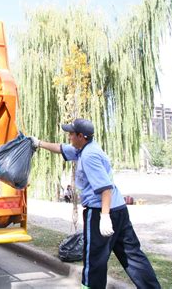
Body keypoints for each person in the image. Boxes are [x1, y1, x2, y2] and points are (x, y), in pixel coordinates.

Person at [31, 118, 160, 288]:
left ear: (81, 136)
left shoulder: (89, 155)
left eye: (71, 133)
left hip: (101, 211)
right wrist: (38, 143)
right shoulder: (85, 148)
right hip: (119, 208)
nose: (69, 136)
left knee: (94, 259)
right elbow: (60, 148)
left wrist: (104, 217)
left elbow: (104, 188)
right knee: (132, 255)